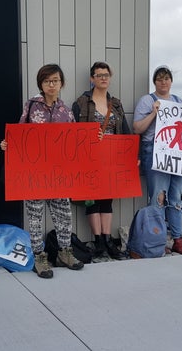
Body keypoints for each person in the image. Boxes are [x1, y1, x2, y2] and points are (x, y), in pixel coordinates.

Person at [0, 64, 84, 278]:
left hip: (59, 174)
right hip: (34, 173)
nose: (51, 84)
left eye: (55, 80)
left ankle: (65, 253)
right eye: (47, 81)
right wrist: (8, 144)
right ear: (41, 84)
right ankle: (39, 257)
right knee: (35, 216)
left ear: (61, 83)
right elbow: (19, 133)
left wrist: (92, 140)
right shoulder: (31, 105)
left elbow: (75, 140)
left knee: (64, 215)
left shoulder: (66, 111)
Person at [71, 61, 131, 260]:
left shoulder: (116, 103)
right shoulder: (80, 103)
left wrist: (132, 156)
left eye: (106, 74)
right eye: (99, 75)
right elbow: (73, 133)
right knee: (92, 201)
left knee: (107, 200)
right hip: (89, 160)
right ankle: (98, 242)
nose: (103, 78)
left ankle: (107, 240)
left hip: (112, 160)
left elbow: (126, 131)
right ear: (92, 79)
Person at [133, 66, 182, 254]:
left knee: (176, 197)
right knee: (158, 196)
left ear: (171, 81)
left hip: (178, 153)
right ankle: (157, 238)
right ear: (154, 82)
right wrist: (153, 113)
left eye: (166, 78)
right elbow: (137, 128)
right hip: (155, 151)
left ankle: (177, 238)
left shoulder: (178, 101)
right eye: (159, 79)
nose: (163, 82)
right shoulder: (147, 101)